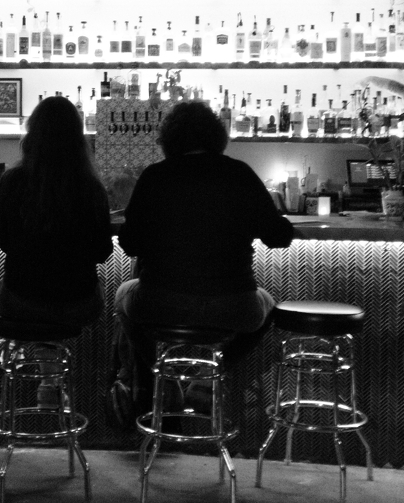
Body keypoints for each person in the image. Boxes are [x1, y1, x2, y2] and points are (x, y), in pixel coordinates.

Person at [113, 101, 296, 423]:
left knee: (123, 296)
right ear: (216, 136)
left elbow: (128, 244)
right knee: (268, 307)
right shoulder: (239, 173)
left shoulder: (155, 176)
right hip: (234, 305)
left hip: (160, 303)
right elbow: (278, 237)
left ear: (168, 139)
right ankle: (209, 377)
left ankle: (161, 378)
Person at [0, 95, 114, 332]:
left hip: (20, 302)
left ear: (32, 134)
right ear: (78, 138)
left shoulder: (12, 180)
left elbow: (4, 240)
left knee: (4, 288)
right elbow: (102, 251)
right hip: (78, 304)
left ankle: (30, 363)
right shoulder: (90, 186)